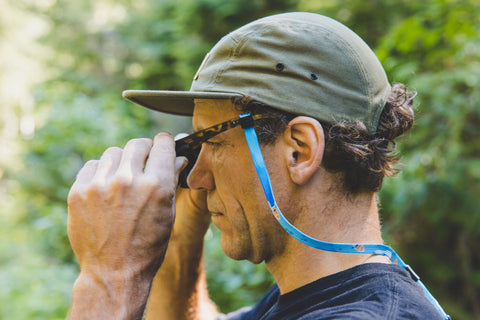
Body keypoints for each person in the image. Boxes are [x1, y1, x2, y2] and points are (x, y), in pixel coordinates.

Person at [67, 12, 449, 319]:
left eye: (212, 141)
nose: (197, 178)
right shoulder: (309, 297)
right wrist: (180, 240)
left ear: (299, 151)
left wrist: (109, 277)